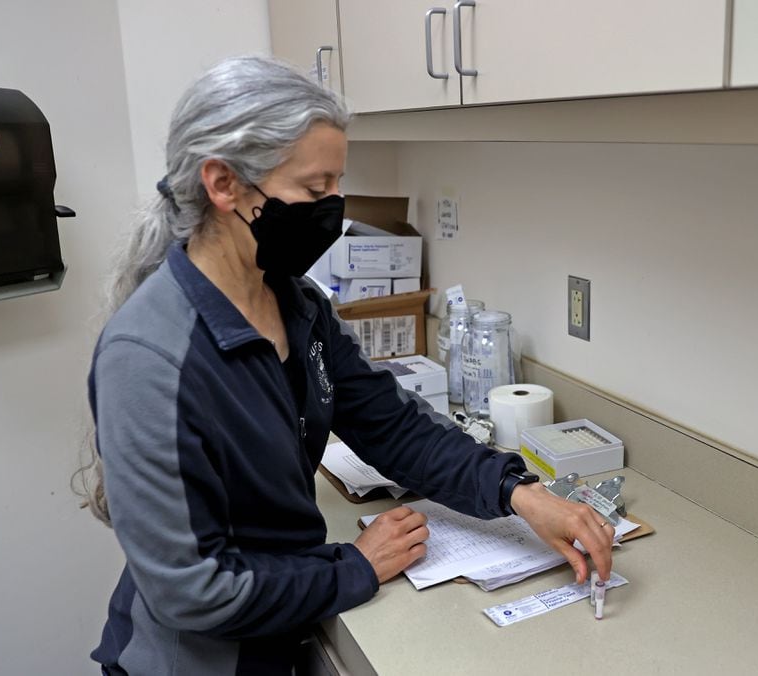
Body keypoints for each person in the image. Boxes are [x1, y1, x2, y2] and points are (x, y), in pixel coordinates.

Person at [77, 55, 614, 675]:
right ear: (223, 184)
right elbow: (193, 591)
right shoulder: (148, 358)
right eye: (314, 188)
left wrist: (516, 493)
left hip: (285, 627)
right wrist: (355, 566)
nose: (335, 207)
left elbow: (391, 426)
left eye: (338, 183)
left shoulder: (294, 302)